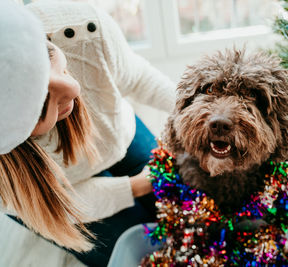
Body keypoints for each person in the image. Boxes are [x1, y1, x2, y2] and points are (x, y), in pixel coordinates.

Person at [0, 0, 175, 266]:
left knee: (181, 209)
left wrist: (193, 113)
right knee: (139, 245)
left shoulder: (81, 27)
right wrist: (133, 187)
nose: (73, 87)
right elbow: (60, 204)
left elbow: (137, 77)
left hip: (120, 137)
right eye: (40, 104)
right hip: (56, 197)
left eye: (47, 55)